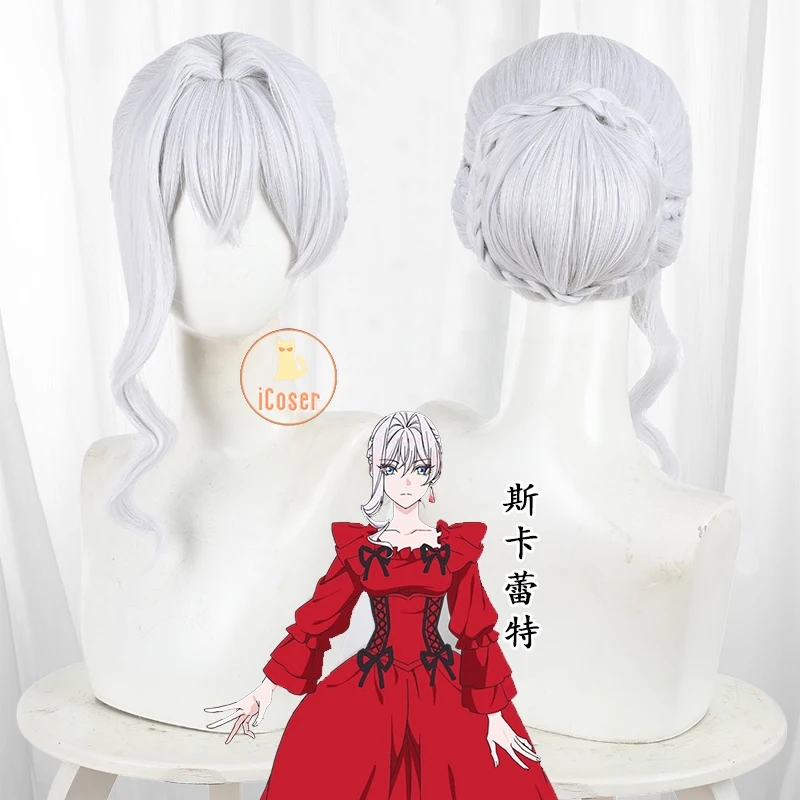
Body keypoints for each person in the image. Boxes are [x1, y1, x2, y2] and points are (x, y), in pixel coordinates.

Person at [206, 411, 558, 799]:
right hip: (371, 684)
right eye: (393, 468)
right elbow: (318, 619)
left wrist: (493, 715)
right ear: (376, 470)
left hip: (441, 684)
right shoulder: (361, 550)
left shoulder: (453, 549)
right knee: (315, 744)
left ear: (433, 472)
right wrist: (265, 690)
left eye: (419, 469)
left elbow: (476, 629)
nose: (406, 482)